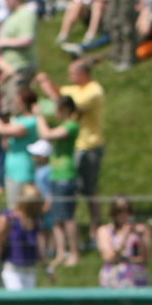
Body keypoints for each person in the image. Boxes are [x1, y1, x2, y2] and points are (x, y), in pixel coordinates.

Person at [39, 61, 106, 232]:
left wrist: (52, 96)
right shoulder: (75, 90)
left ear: (83, 73)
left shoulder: (94, 91)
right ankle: (74, 224)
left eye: (72, 73)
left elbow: (74, 107)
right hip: (77, 145)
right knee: (73, 190)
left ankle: (95, 226)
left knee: (90, 189)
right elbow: (61, 94)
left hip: (91, 145)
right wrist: (46, 82)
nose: (69, 76)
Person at [36, 94, 82, 269]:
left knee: (68, 218)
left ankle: (75, 253)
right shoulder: (64, 125)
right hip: (56, 175)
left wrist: (39, 116)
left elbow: (46, 134)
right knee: (56, 218)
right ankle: (61, 253)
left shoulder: (71, 125)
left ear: (65, 109)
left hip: (66, 175)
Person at [0, 184, 47, 289]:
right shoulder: (8, 218)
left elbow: (38, 247)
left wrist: (47, 267)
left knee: (28, 304)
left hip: (30, 268)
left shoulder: (35, 220)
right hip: (13, 269)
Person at [96, 196, 151, 288]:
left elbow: (145, 258)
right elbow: (109, 258)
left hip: (137, 276)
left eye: (127, 210)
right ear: (113, 212)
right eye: (119, 210)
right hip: (113, 278)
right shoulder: (104, 231)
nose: (124, 214)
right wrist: (124, 237)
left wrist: (140, 237)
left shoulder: (141, 230)